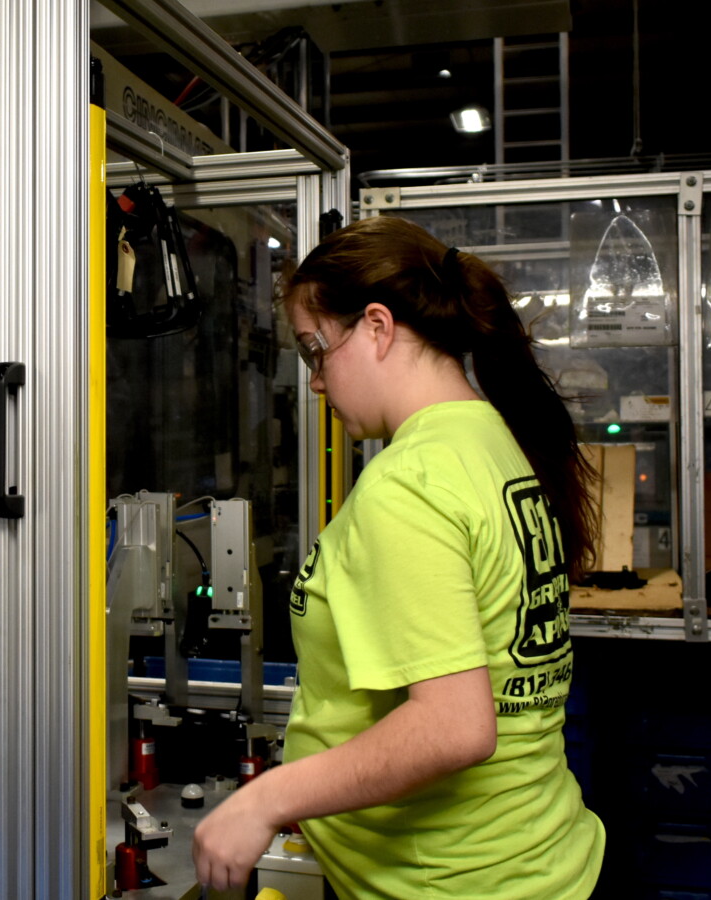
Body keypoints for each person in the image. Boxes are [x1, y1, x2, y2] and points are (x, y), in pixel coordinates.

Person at [191, 216, 606, 898]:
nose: (317, 384)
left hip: (453, 881)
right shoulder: (490, 442)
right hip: (535, 856)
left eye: (315, 351)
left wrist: (265, 800)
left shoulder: (409, 484)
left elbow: (453, 728)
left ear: (378, 327)